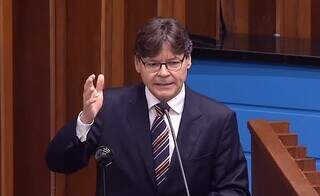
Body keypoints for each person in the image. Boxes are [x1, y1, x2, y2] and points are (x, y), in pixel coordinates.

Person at [46, 17, 250, 196]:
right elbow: (58, 162)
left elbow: (234, 190)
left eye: (173, 63)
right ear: (138, 64)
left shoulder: (217, 119)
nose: (163, 73)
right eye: (153, 64)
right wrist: (86, 120)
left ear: (188, 61)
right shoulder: (109, 108)